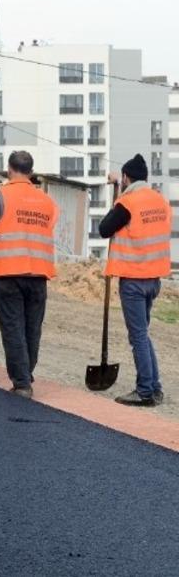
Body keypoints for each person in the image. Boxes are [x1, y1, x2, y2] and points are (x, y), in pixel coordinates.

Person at [0, 151, 59, 399]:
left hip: (7, 274)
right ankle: (26, 373)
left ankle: (22, 383)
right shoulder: (46, 201)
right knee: (32, 329)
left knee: (13, 327)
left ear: (9, 169)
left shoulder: (0, 195)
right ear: (31, 171)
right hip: (38, 273)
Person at [100, 154, 171, 406]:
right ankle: (155, 387)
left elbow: (104, 228)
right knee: (143, 334)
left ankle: (144, 391)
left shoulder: (127, 202)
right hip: (154, 280)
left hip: (133, 280)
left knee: (138, 336)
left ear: (127, 178)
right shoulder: (160, 201)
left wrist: (118, 193)